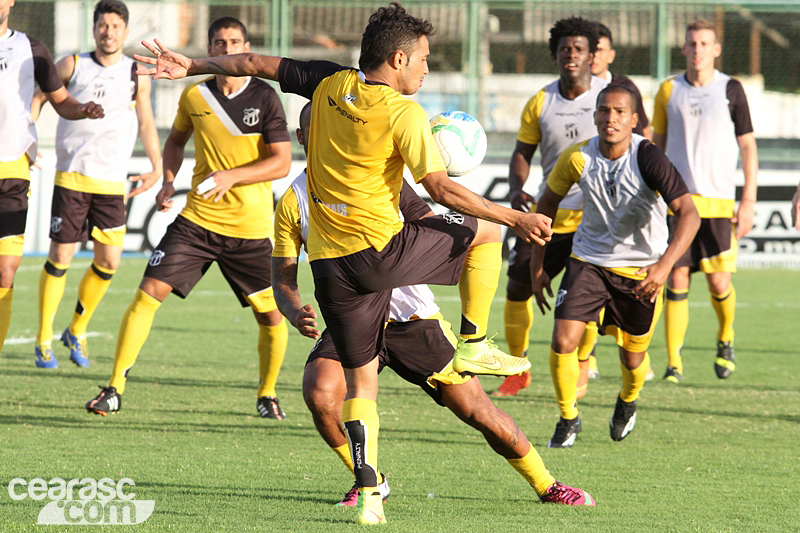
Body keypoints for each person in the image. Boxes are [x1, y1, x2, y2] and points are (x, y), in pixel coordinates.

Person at [134, 3, 554, 524]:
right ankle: (474, 340)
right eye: (422, 59)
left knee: (367, 390)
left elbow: (255, 65)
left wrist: (191, 65)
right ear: (398, 58)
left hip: (340, 277)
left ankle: (371, 492)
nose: (427, 68)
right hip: (380, 259)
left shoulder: (329, 84)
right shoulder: (403, 116)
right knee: (487, 232)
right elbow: (441, 188)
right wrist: (514, 217)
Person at [272, 102, 594, 509]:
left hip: (411, 318)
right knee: (320, 393)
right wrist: (292, 306)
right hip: (352, 315)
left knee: (477, 411)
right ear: (303, 138)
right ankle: (368, 480)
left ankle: (548, 485)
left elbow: (427, 224)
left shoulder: (378, 176)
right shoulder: (292, 200)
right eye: (312, 129)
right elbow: (281, 277)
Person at [85, 17, 292, 419]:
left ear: (246, 46)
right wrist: (166, 180)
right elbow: (176, 140)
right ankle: (114, 388)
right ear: (211, 49)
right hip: (197, 221)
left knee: (271, 315)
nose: (227, 47)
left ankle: (267, 395)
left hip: (249, 229)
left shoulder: (265, 97)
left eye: (235, 41)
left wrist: (233, 175)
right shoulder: (195, 96)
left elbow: (282, 162)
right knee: (147, 294)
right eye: (219, 42)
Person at [531, 85, 700, 448]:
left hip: (641, 271)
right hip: (588, 261)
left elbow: (689, 214)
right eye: (604, 111)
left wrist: (663, 267)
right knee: (563, 341)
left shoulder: (649, 158)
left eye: (620, 112)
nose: (611, 118)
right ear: (594, 116)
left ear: (635, 119)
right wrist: (537, 263)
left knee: (632, 355)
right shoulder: (577, 158)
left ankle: (628, 399)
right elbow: (545, 205)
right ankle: (567, 418)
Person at [31, 0, 161, 369]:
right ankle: (43, 338)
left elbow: (148, 122)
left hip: (110, 182)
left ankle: (76, 328)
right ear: (94, 29)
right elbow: (41, 97)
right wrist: (29, 138)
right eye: (102, 26)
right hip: (72, 175)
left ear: (125, 31)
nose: (108, 32)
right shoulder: (73, 64)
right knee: (61, 257)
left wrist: (156, 167)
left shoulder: (137, 72)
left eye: (115, 26)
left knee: (109, 261)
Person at [499, 17, 606, 398]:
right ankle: (517, 369)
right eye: (565, 49)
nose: (571, 56)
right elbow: (522, 152)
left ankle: (582, 362)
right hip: (548, 214)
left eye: (579, 49)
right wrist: (516, 188)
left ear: (593, 56)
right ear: (555, 55)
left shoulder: (612, 97)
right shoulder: (541, 101)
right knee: (516, 289)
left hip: (596, 219)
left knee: (588, 297)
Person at [652, 19, 758, 383]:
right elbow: (657, 149)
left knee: (718, 283)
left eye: (704, 44)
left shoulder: (731, 89)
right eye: (691, 43)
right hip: (679, 204)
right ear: (683, 48)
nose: (697, 50)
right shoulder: (668, 90)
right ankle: (673, 363)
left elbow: (748, 146)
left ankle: (725, 338)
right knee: (676, 276)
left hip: (719, 203)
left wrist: (748, 201)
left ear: (716, 50)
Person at [0, 0, 103, 358]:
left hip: (12, 170)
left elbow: (60, 100)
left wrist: (82, 110)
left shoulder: (33, 49)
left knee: (6, 270)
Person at [590, 22, 651, 139]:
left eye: (600, 50)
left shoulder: (627, 88)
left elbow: (644, 130)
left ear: (611, 55)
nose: (594, 55)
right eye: (590, 50)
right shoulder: (569, 91)